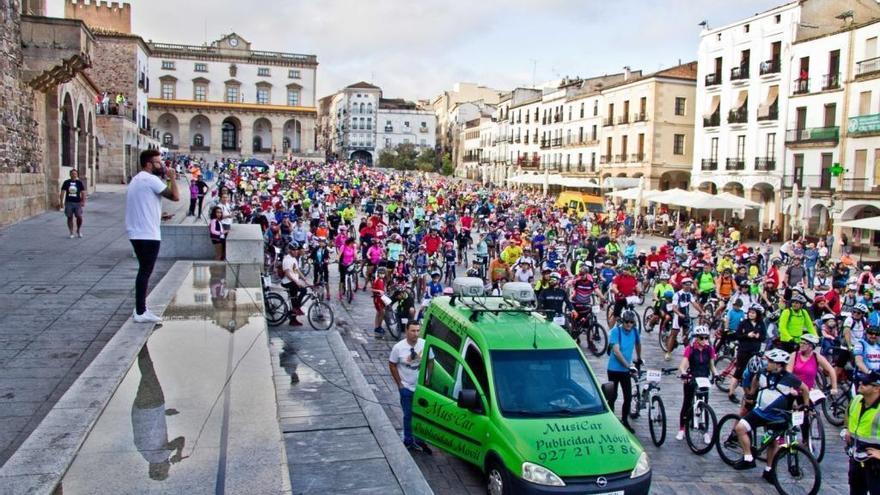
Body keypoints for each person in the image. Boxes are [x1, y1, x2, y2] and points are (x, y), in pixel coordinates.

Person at [732, 349, 810, 481]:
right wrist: (751, 393)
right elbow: (755, 379)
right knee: (740, 428)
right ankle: (748, 458)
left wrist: (806, 405)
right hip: (759, 412)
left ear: (779, 364)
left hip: (777, 417)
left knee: (773, 443)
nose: (767, 363)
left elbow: (805, 389)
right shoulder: (763, 372)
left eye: (770, 361)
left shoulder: (790, 378)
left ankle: (769, 471)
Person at [126, 150, 179, 323]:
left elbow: (142, 205)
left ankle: (141, 309)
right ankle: (141, 311)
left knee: (144, 270)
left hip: (137, 231)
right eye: (157, 162)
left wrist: (159, 216)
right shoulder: (151, 179)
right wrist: (172, 177)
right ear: (148, 164)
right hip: (148, 234)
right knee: (145, 271)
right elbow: (176, 197)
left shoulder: (137, 179)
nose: (161, 165)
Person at [389, 321, 433, 453]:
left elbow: (431, 361)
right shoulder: (398, 348)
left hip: (420, 388)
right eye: (413, 331)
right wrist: (400, 384)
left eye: (418, 330)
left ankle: (420, 441)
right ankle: (408, 440)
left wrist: (428, 379)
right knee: (408, 415)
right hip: (406, 387)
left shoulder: (425, 344)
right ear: (407, 331)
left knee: (420, 415)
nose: (416, 334)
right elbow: (392, 364)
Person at [675, 325, 717, 441]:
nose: (704, 340)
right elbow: (683, 365)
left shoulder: (710, 349)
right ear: (696, 338)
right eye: (701, 338)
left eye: (706, 338)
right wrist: (684, 372)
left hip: (704, 379)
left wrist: (716, 374)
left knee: (705, 405)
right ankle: (682, 429)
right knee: (687, 403)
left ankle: (705, 431)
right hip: (692, 378)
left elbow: (712, 366)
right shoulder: (690, 348)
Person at [845, 370, 880, 495]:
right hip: (857, 458)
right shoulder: (857, 399)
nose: (860, 384)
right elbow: (848, 412)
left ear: (876, 388)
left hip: (875, 464)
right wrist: (848, 429)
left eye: (865, 383)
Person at [606, 310, 642, 432]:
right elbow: (616, 351)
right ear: (623, 321)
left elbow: (638, 343)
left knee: (627, 397)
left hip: (625, 370)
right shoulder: (616, 332)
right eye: (626, 322)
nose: (629, 325)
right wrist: (628, 365)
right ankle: (609, 421)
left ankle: (625, 420)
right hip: (614, 369)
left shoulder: (635, 331)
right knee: (613, 396)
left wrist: (639, 357)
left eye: (631, 322)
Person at [281, 242, 307, 326]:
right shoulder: (287, 259)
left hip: (293, 281)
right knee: (303, 290)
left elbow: (297, 270)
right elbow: (287, 273)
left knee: (294, 299)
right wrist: (297, 282)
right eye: (293, 250)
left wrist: (304, 279)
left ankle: (293, 319)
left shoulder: (294, 259)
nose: (296, 252)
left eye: (296, 250)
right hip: (288, 282)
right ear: (290, 250)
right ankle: (296, 308)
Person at [60, 169, 86, 238]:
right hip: (69, 202)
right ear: (70, 175)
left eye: (75, 174)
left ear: (77, 175)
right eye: (72, 174)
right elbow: (62, 192)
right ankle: (71, 232)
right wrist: (61, 202)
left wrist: (83, 201)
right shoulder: (66, 182)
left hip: (78, 202)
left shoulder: (79, 182)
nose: (74, 175)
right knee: (69, 217)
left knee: (79, 217)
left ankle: (78, 230)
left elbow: (83, 193)